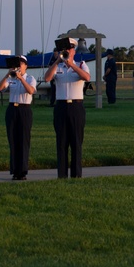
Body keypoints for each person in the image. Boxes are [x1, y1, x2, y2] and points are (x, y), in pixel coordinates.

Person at [44, 37, 90, 178]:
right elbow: (47, 78)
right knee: (61, 142)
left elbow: (87, 77)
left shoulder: (81, 64)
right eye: (64, 50)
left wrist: (72, 65)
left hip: (76, 107)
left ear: (73, 51)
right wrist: (58, 61)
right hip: (61, 107)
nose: (67, 52)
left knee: (76, 142)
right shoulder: (57, 67)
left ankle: (76, 175)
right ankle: (62, 175)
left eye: (69, 49)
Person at [0, 55, 37, 180]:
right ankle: (15, 170)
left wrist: (21, 79)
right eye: (17, 65)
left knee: (23, 140)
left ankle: (23, 171)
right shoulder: (11, 78)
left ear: (26, 66)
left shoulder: (30, 78)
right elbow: (0, 88)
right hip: (12, 108)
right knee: (13, 139)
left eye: (21, 64)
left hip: (24, 109)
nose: (18, 67)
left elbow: (31, 90)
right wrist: (7, 74)